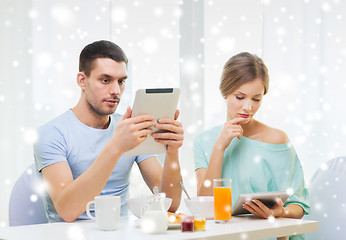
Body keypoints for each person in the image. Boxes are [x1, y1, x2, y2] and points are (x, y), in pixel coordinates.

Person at [34, 40, 183, 223]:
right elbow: (68, 210)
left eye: (121, 81)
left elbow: (170, 204)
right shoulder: (51, 134)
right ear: (82, 80)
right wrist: (116, 146)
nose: (115, 91)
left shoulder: (128, 128)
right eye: (105, 80)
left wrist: (173, 151)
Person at [193, 52, 310, 239]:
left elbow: (299, 205)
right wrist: (219, 147)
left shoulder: (278, 139)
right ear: (225, 92)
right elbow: (206, 206)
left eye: (256, 99)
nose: (248, 107)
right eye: (240, 97)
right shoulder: (204, 141)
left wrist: (278, 213)